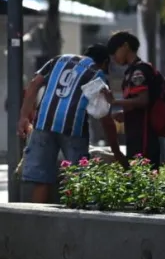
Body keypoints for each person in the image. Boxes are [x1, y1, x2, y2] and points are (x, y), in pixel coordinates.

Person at [17, 44, 123, 204]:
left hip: (43, 122)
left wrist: (24, 117)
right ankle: (73, 217)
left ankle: (36, 222)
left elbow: (34, 84)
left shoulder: (59, 60)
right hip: (73, 127)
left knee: (41, 179)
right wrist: (116, 150)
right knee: (78, 176)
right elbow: (104, 115)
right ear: (105, 62)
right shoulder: (96, 73)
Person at [105, 30, 161, 169]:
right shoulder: (131, 71)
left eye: (115, 52)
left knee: (144, 175)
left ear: (125, 46)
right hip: (135, 133)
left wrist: (115, 102)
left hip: (144, 135)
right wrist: (125, 114)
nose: (114, 58)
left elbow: (143, 100)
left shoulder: (138, 72)